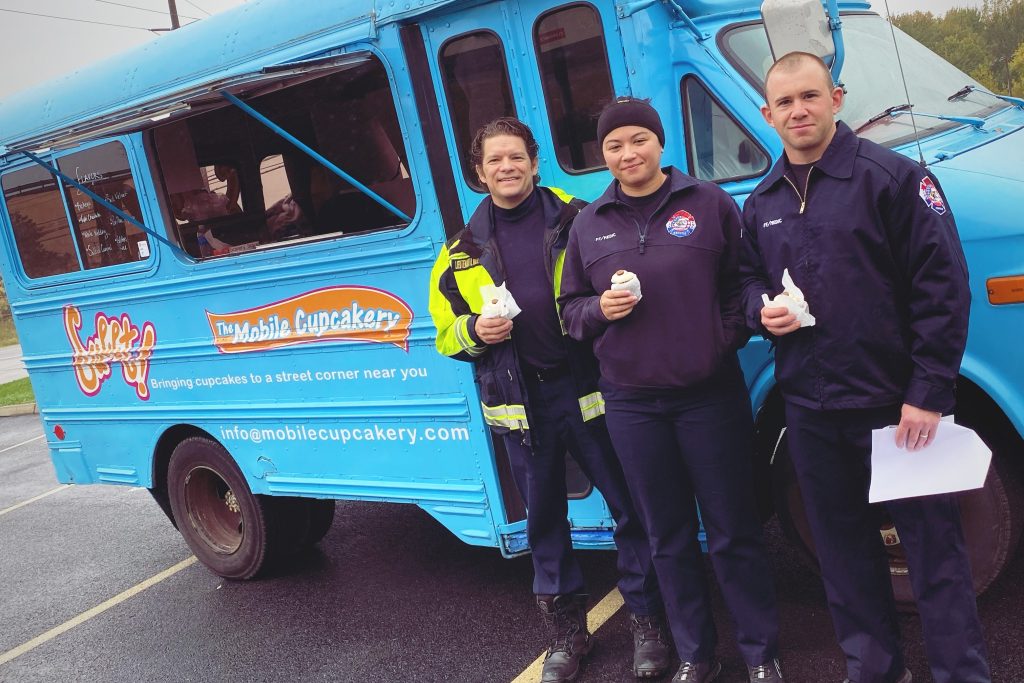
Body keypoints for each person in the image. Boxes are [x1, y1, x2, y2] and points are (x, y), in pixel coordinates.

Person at [739, 52, 991, 683]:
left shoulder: (895, 179)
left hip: (898, 408)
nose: (799, 111)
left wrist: (927, 393)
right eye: (785, 103)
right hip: (812, 412)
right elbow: (744, 280)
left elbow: (944, 289)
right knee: (845, 558)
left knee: (935, 557)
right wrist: (757, 309)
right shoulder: (761, 201)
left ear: (837, 98)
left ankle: (962, 673)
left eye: (810, 96)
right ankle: (875, 670)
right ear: (767, 115)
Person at [428, 117, 669, 682]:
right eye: (494, 161)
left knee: (631, 509)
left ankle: (647, 622)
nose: (506, 167)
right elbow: (444, 332)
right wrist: (473, 334)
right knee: (544, 524)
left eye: (516, 157)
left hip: (588, 391)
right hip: (521, 407)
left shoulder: (580, 218)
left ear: (535, 163)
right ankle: (567, 636)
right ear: (479, 173)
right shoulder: (458, 252)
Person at [559, 97, 783, 683]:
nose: (627, 153)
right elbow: (570, 314)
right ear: (603, 156)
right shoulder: (588, 223)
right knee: (668, 536)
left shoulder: (708, 205)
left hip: (710, 395)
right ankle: (695, 654)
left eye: (638, 139)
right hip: (632, 405)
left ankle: (762, 653)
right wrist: (600, 310)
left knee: (734, 529)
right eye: (613, 145)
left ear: (660, 144)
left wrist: (721, 337)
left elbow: (742, 285)